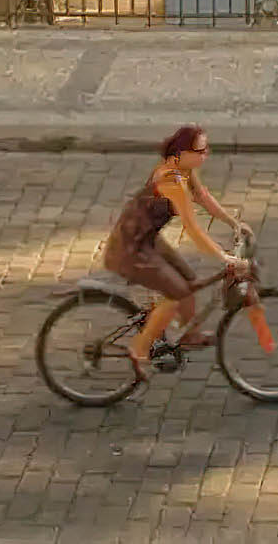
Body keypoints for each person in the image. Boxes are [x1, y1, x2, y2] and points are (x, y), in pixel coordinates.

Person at [102, 125, 245, 378]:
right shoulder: (172, 181)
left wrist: (233, 222)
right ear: (181, 153)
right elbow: (192, 228)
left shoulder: (184, 170)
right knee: (176, 294)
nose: (206, 155)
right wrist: (223, 257)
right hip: (129, 248)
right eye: (200, 150)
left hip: (146, 239)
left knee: (189, 280)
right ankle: (140, 348)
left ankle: (188, 335)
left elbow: (202, 196)